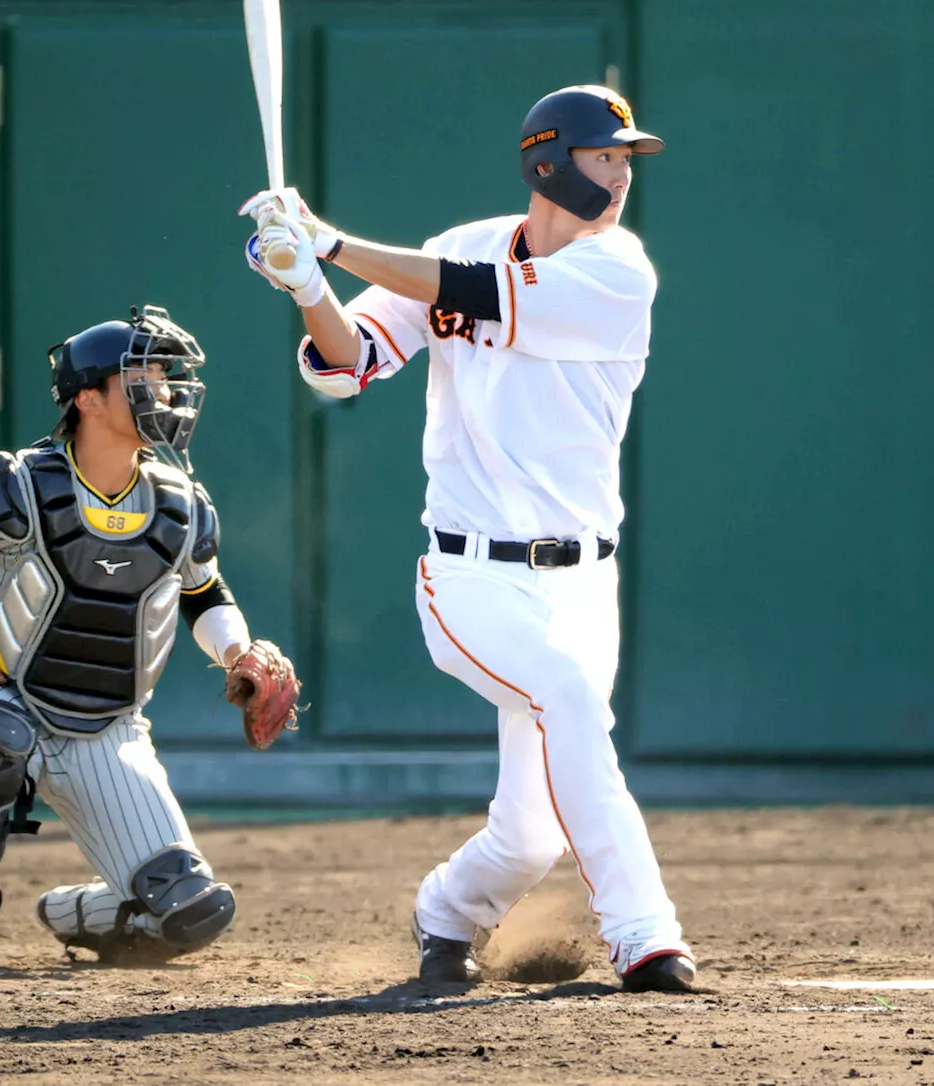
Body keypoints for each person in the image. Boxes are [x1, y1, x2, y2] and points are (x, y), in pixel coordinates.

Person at [237, 85, 695, 992]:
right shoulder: (459, 246)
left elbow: (479, 294)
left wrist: (328, 241)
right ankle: (647, 936)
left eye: (625, 158)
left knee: (532, 829)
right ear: (550, 160)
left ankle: (447, 912)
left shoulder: (618, 273)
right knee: (566, 701)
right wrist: (307, 285)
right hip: (468, 573)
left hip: (582, 582)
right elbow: (348, 362)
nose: (620, 172)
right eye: (608, 155)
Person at [0, 305, 296, 969]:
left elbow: (205, 595)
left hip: (110, 730)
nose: (164, 392)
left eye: (164, 377)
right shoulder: (15, 487)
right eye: (144, 378)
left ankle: (85, 913)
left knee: (193, 912)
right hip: (14, 705)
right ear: (90, 399)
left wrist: (238, 651)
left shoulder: (180, 501)